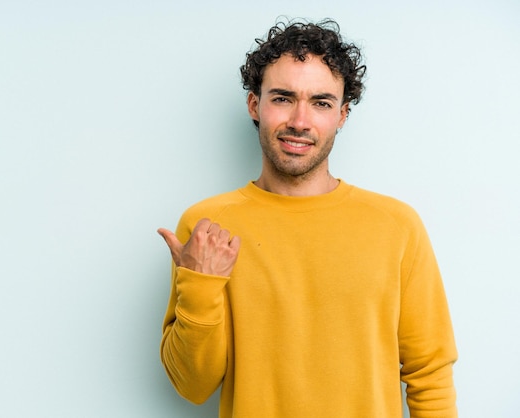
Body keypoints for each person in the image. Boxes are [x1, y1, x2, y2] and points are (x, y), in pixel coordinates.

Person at [157, 18, 457, 418]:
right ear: (254, 105)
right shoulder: (209, 226)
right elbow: (192, 386)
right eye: (282, 98)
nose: (300, 120)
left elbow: (430, 374)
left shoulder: (396, 225)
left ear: (342, 115)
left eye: (321, 102)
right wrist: (200, 285)